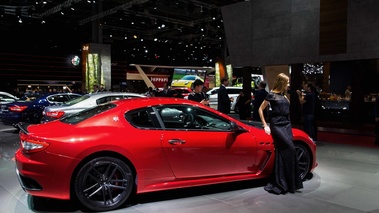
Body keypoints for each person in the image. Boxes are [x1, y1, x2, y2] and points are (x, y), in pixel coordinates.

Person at [258, 73, 303, 195]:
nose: (288, 85)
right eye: (287, 82)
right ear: (282, 82)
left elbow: (293, 108)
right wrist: (265, 125)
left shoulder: (284, 96)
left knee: (284, 152)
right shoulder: (271, 95)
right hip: (277, 125)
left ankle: (288, 182)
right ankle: (282, 182)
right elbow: (260, 109)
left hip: (287, 125)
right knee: (290, 148)